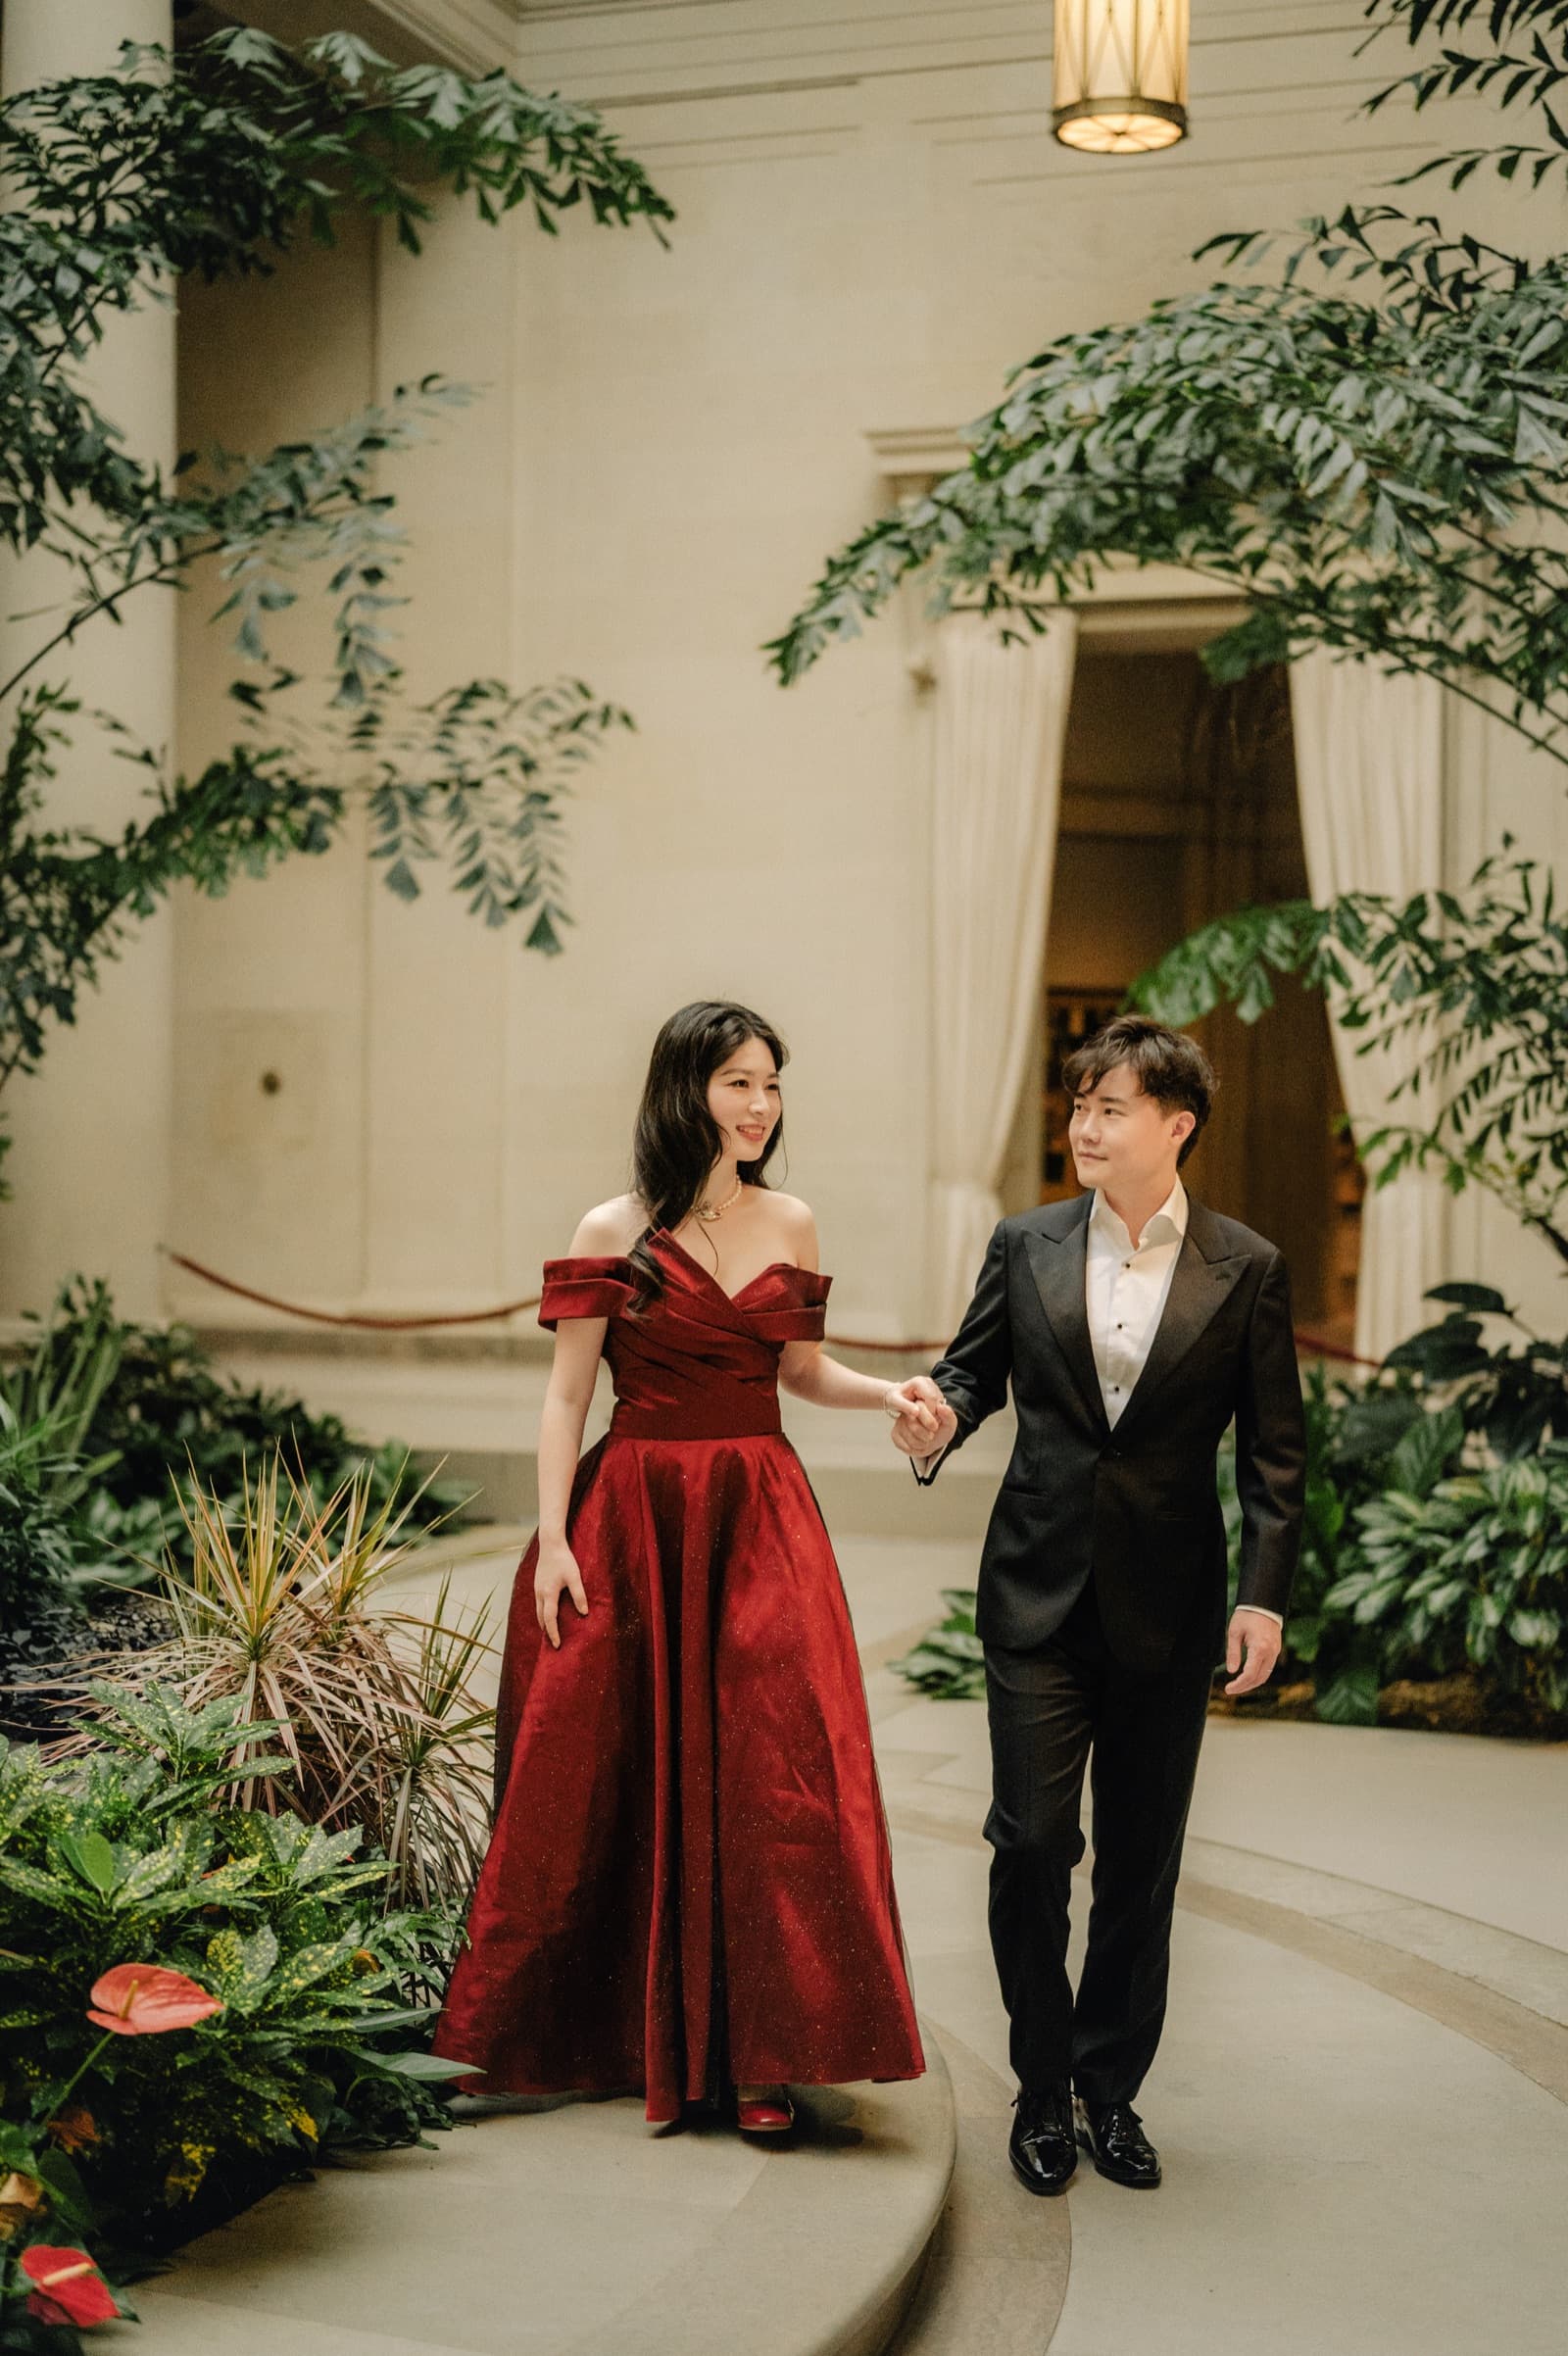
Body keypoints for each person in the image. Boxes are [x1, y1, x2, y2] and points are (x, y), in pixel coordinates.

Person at [433, 1000, 938, 2135]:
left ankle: (761, 2053)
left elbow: (798, 1371)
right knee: (595, 1765)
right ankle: (568, 2034)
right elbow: (567, 1394)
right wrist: (556, 1537)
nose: (761, 1106)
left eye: (772, 1084)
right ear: (684, 1089)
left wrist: (891, 1396)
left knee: (775, 1773)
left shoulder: (791, 1219)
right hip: (633, 1510)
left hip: (759, 1513)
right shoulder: (611, 1225)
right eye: (738, 1084)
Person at [890, 1015, 1305, 2195]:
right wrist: (939, 1416)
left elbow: (1277, 1455)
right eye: (1077, 1104)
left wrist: (1262, 1601)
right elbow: (973, 1369)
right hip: (1036, 1591)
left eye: (1110, 1107)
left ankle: (1107, 2088)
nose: (1083, 1125)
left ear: (1176, 1125)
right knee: (1029, 1845)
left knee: (1138, 1863)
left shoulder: (1248, 1266)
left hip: (1170, 1609)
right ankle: (1037, 2087)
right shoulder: (1023, 1243)